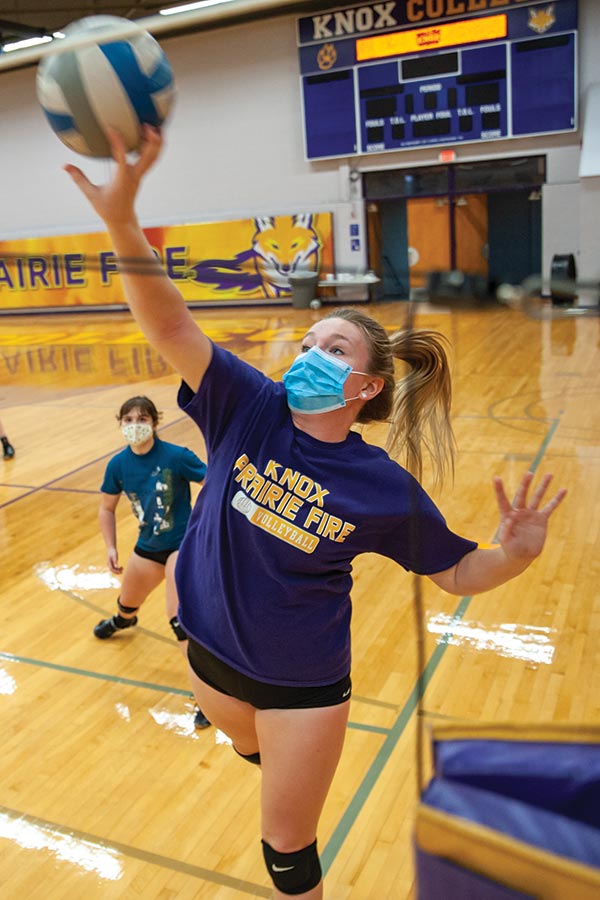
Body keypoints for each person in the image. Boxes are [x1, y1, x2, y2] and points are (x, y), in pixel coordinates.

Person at [66, 127, 567, 900]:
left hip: (298, 684)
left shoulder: (376, 484)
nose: (308, 352)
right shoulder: (247, 406)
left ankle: (290, 790)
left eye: (332, 348)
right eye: (308, 339)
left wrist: (517, 554)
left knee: (287, 848)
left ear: (365, 389)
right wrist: (124, 225)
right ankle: (268, 759)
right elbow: (169, 324)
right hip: (202, 651)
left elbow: (460, 572)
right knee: (247, 750)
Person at [96, 393, 211, 730]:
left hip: (181, 547)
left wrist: (203, 525)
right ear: (121, 424)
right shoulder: (118, 464)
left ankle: (205, 698)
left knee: (179, 621)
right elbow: (106, 508)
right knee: (127, 603)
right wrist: (111, 547)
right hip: (147, 547)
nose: (135, 426)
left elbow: (213, 483)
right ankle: (123, 620)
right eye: (128, 420)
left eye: (142, 419)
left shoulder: (176, 457)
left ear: (154, 423)